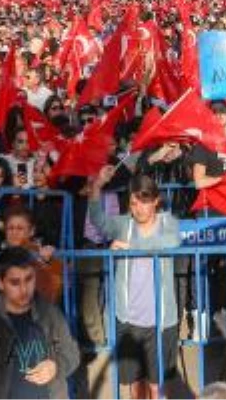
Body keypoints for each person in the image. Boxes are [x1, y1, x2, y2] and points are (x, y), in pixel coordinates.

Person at [87, 170, 182, 400]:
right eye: (133, 202)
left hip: (160, 320)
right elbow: (99, 221)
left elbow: (172, 241)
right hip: (128, 319)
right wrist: (96, 188)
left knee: (156, 386)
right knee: (134, 385)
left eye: (144, 201)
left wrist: (130, 246)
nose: (138, 208)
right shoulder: (123, 224)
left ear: (156, 201)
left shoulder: (168, 221)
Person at [0, 246, 80, 399]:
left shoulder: (50, 314)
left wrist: (56, 366)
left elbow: (72, 354)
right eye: (15, 282)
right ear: (0, 283)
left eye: (29, 279)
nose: (24, 289)